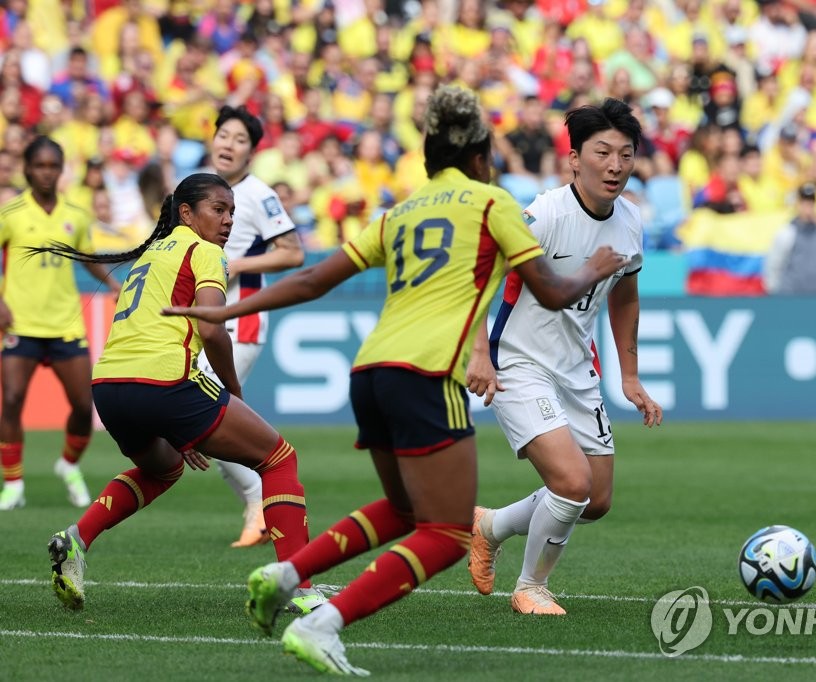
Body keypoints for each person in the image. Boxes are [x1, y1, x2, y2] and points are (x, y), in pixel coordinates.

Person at [163, 86, 627, 675]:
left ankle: (286, 575)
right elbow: (554, 291)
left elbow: (310, 281)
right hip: (428, 374)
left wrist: (225, 311)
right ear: (482, 159)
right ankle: (323, 625)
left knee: (407, 508)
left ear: (429, 159)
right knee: (448, 532)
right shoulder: (493, 205)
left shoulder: (403, 210)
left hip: (372, 371)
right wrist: (594, 265)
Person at [32, 173, 314, 612]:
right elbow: (212, 329)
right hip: (165, 380)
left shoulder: (150, 254)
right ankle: (300, 588)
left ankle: (77, 538)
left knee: (163, 469)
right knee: (279, 458)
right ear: (186, 213)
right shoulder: (205, 252)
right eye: (218, 210)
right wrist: (232, 394)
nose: (227, 221)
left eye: (232, 213)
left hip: (109, 388)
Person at [465, 98, 664, 616]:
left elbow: (625, 293)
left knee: (594, 500)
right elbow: (480, 278)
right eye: (602, 152)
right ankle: (530, 587)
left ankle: (488, 527)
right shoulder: (544, 214)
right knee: (571, 484)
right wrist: (479, 351)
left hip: (577, 368)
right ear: (574, 158)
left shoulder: (630, 221)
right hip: (518, 363)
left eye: (625, 153)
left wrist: (631, 374)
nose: (615, 165)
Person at [200, 105, 305, 548]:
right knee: (203, 418)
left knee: (203, 414)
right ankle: (260, 500)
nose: (229, 144)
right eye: (224, 135)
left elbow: (293, 253)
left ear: (252, 151)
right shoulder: (198, 186)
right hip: (201, 317)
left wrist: (236, 264)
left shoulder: (259, 194)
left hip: (239, 320)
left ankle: (260, 499)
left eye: (240, 139)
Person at [0, 136, 121, 512]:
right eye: (40, 166)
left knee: (84, 406)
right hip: (21, 322)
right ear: (27, 169)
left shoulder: (76, 214)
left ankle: (67, 464)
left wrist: (115, 284)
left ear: (62, 169)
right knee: (12, 400)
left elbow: (87, 257)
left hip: (66, 323)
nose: (47, 172)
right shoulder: (11, 213)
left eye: (54, 166)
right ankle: (14, 484)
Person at [763, 183, 816, 296]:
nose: (808, 206)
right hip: (789, 298)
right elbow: (774, 265)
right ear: (798, 204)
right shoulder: (787, 233)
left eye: (811, 203)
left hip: (815, 297)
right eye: (804, 202)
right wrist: (774, 294)